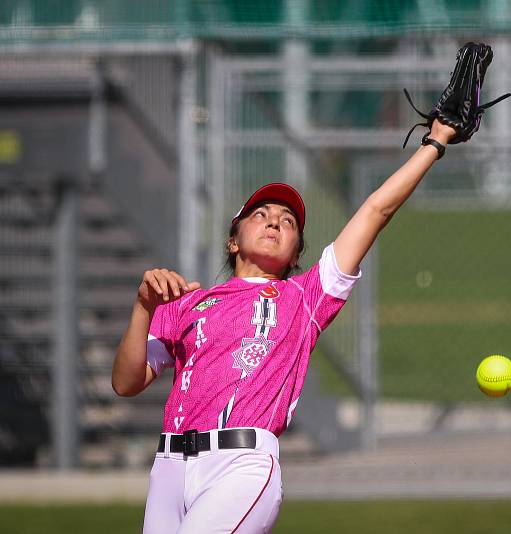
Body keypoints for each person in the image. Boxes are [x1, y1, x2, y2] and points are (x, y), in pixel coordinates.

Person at [112, 119, 456, 533]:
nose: (275, 222)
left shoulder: (306, 297)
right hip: (169, 468)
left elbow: (376, 210)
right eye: (261, 214)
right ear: (233, 240)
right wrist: (141, 308)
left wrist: (435, 143)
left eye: (288, 222)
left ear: (296, 255)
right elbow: (126, 383)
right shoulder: (185, 302)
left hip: (240, 467)